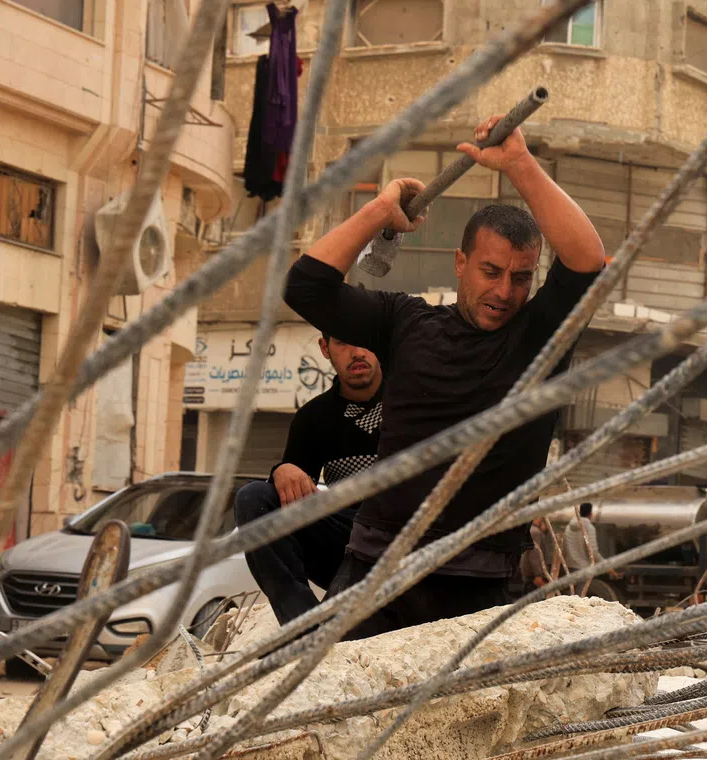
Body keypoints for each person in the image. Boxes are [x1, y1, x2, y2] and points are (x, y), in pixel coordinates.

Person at [283, 115, 605, 637]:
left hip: (476, 582)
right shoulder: (405, 320)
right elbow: (306, 287)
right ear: (460, 263)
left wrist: (521, 165)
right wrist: (377, 212)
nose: (504, 292)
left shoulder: (542, 336)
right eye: (491, 272)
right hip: (376, 569)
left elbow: (588, 260)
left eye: (521, 277)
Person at [234, 335, 383, 626]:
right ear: (325, 349)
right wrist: (284, 470)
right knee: (253, 498)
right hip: (348, 542)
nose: (358, 351)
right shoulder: (314, 418)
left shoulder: (414, 400)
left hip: (412, 538)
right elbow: (290, 499)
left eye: (367, 336)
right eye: (342, 343)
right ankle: (304, 629)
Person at [520, 516, 560, 591]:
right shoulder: (535, 532)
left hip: (530, 573)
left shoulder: (532, 530)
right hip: (533, 575)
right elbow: (534, 555)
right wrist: (538, 574)